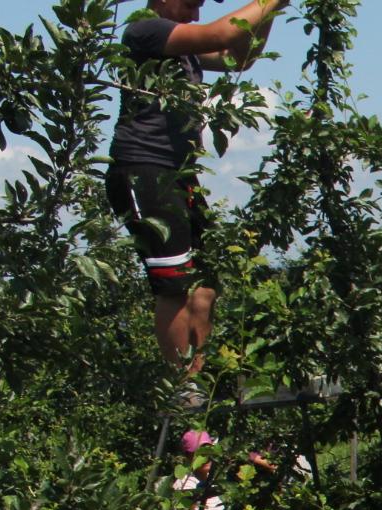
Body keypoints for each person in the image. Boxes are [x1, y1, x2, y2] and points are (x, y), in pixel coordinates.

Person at [106, 0, 290, 407]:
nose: (201, 2)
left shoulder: (182, 47)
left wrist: (275, 12)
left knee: (205, 283)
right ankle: (178, 385)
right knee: (173, 286)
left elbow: (240, 56)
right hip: (144, 169)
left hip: (178, 173)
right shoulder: (146, 30)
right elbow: (221, 34)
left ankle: (196, 378)